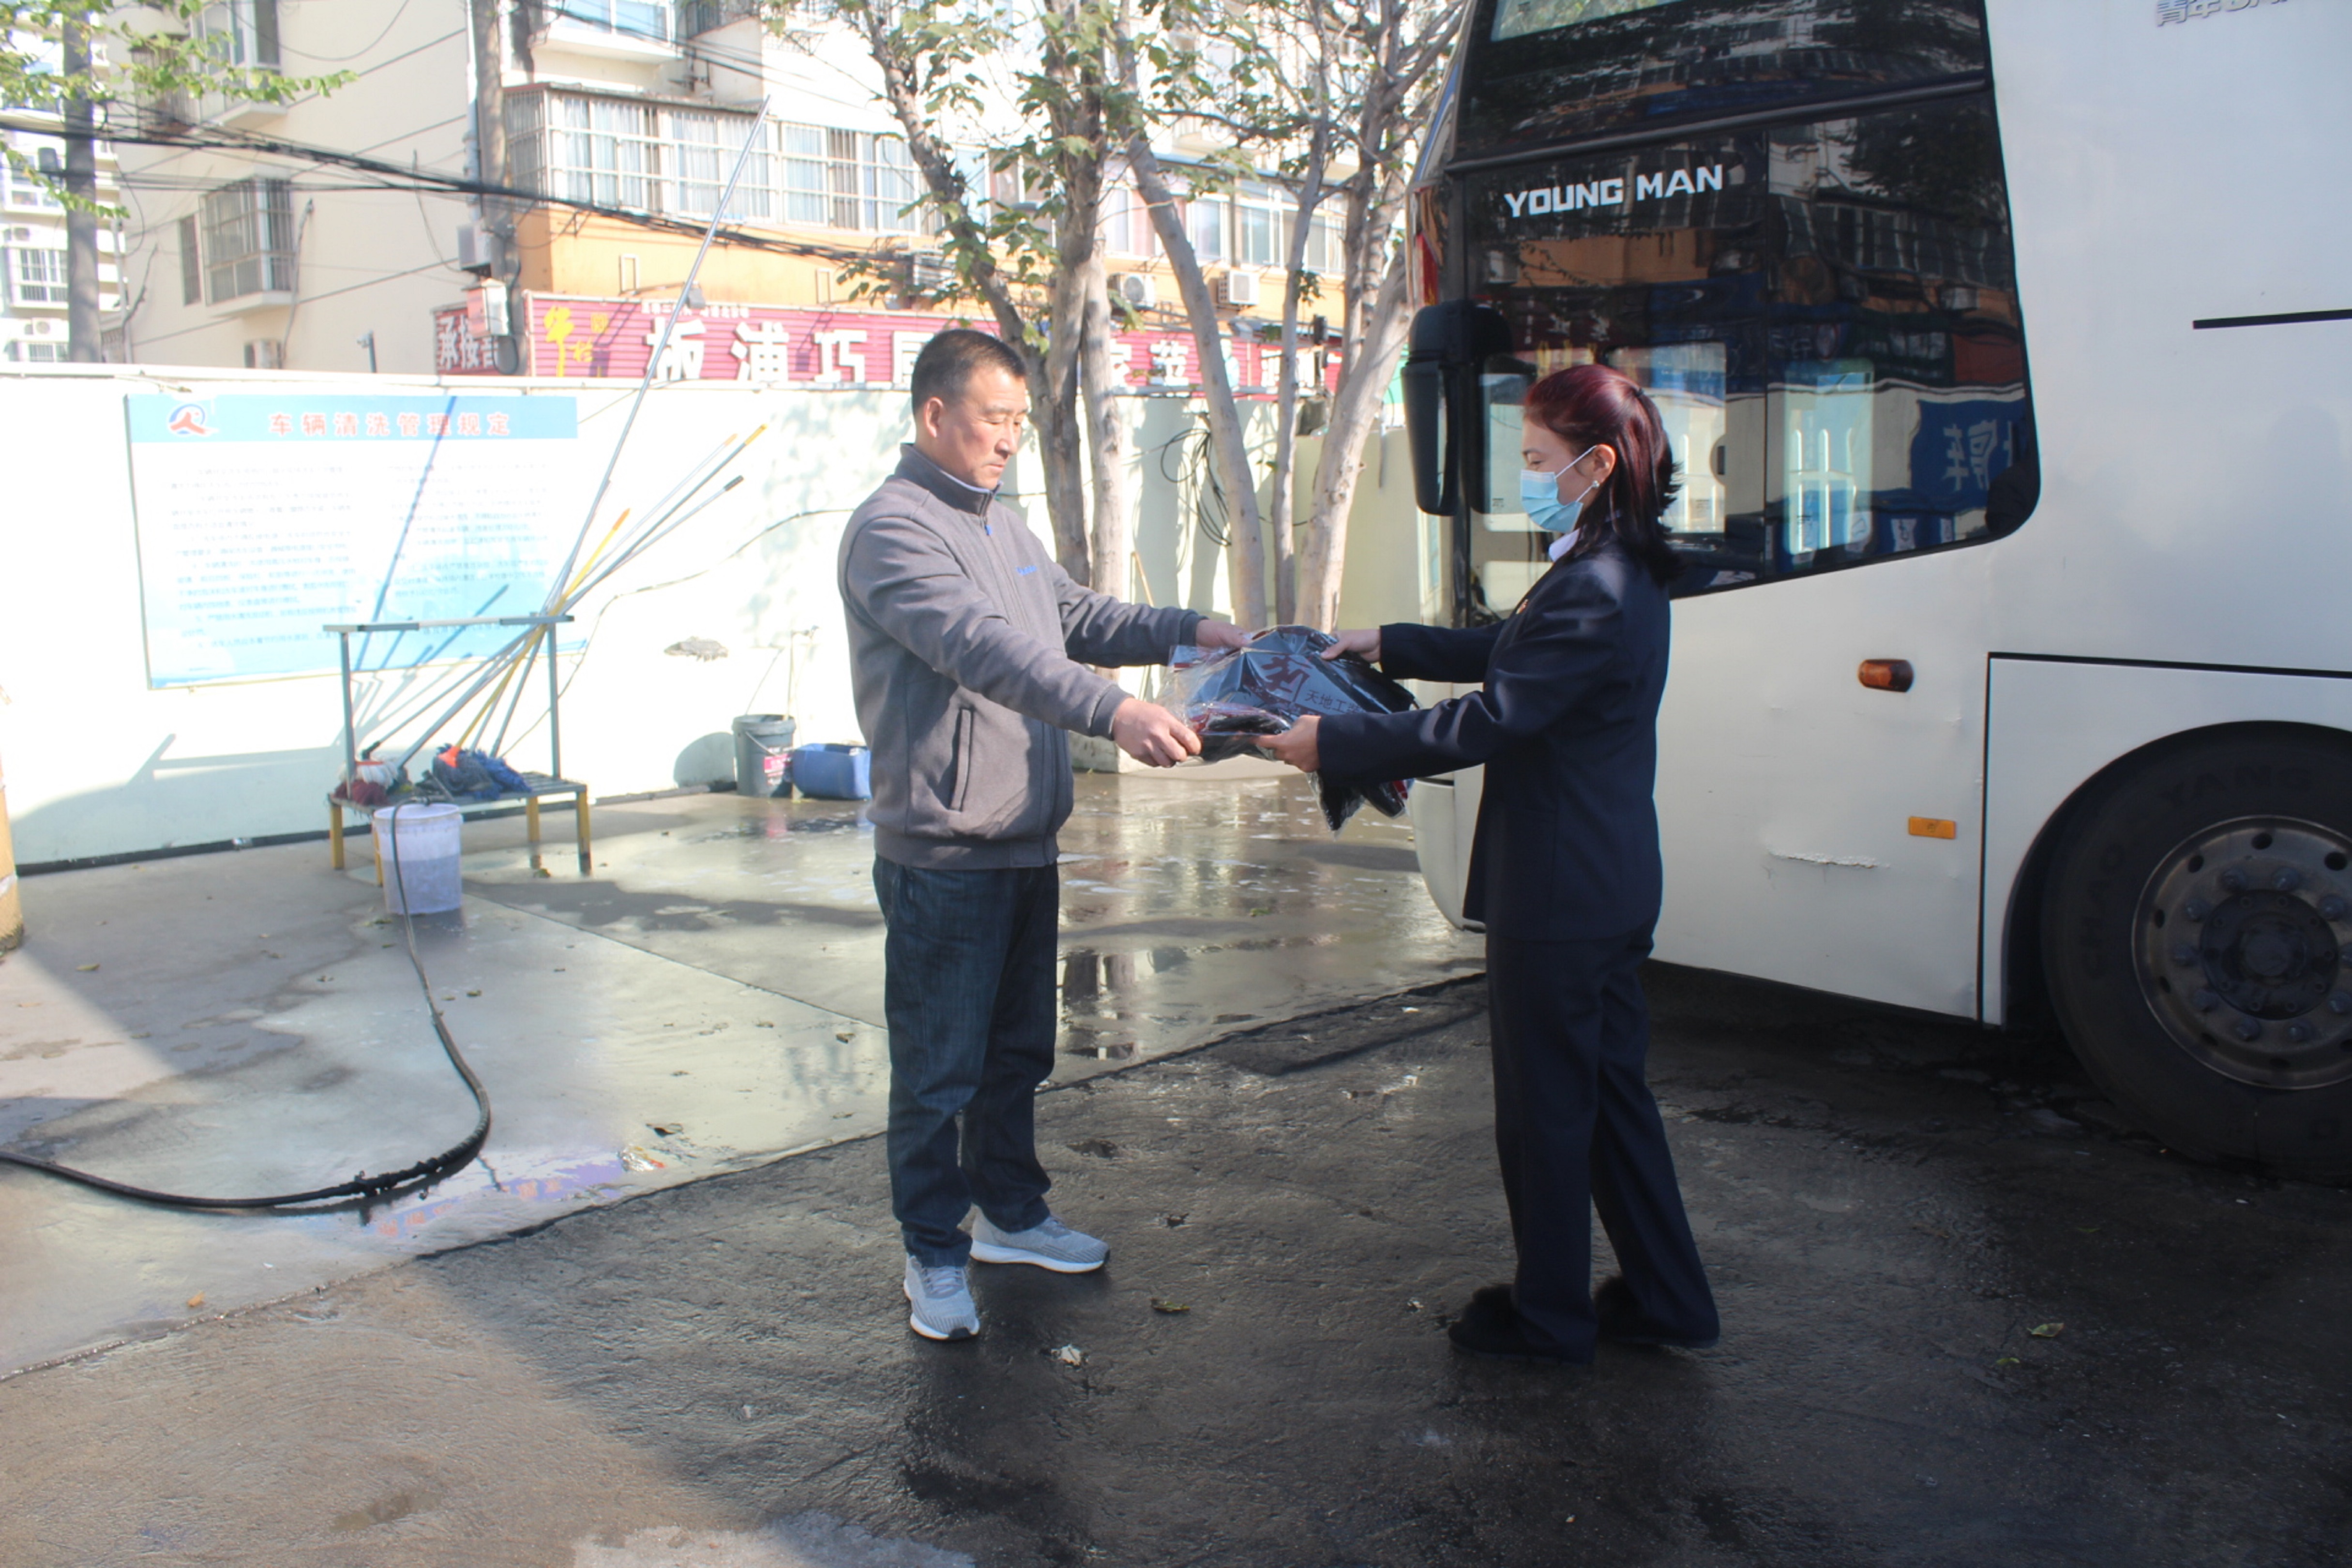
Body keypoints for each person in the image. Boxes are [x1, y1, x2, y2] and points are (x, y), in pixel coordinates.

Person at [1253, 362, 1719, 1364]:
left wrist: (1334, 743)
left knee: (1547, 1114)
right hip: (1604, 882)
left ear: (1598, 465)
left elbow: (1495, 717)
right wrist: (1389, 642)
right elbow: (1516, 649)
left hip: (1557, 897)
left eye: (1539, 459)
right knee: (1611, 1103)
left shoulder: (1594, 583)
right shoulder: (1619, 565)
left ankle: (1548, 1318)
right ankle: (1668, 1296)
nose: (1527, 475)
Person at [839, 329, 1248, 1342]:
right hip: (944, 850)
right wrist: (1114, 711)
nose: (1010, 439)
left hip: (1024, 837)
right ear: (935, 414)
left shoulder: (1004, 525)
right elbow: (981, 649)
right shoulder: (892, 532)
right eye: (995, 419)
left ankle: (1011, 1217)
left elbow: (1074, 615)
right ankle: (933, 1251)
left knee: (1015, 1054)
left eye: (1021, 421)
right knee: (939, 1071)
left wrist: (1189, 629)